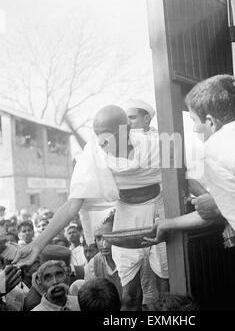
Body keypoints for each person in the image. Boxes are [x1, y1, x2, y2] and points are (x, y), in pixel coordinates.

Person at [14, 105, 169, 311]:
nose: (101, 142)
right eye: (97, 135)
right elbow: (72, 205)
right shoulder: (93, 155)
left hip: (160, 211)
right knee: (130, 296)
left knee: (166, 288)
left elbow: (184, 179)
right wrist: (37, 245)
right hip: (126, 215)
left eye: (108, 135)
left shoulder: (156, 146)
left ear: (125, 131)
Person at [144, 74, 235, 247]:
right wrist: (168, 223)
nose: (194, 128)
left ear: (210, 122)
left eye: (194, 120)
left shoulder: (213, 152)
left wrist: (218, 206)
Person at [23, 245, 84, 311]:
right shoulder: (33, 303)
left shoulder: (79, 303)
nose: (55, 282)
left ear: (67, 276)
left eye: (59, 274)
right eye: (48, 278)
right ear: (40, 282)